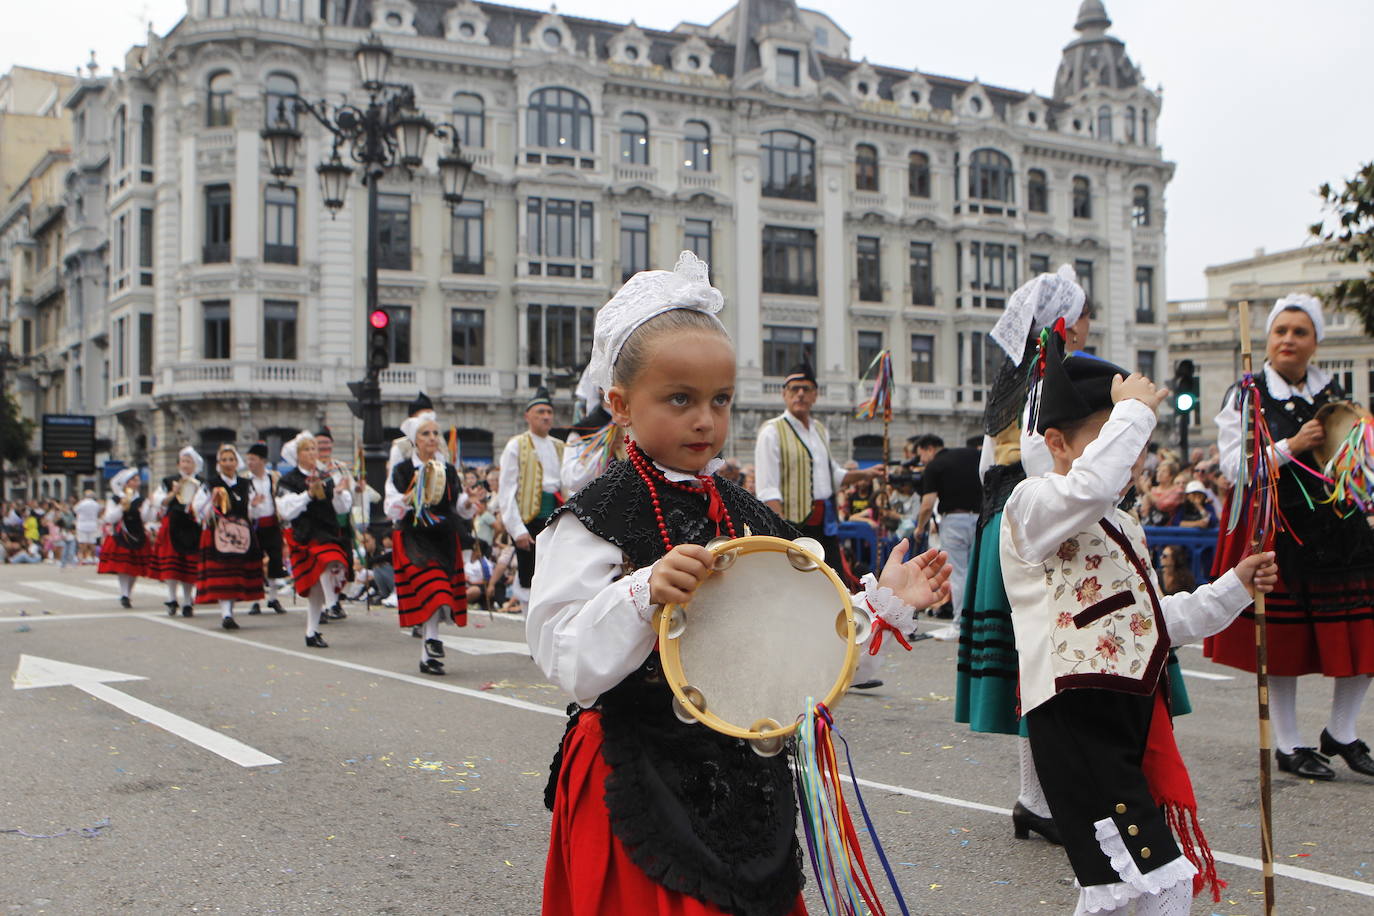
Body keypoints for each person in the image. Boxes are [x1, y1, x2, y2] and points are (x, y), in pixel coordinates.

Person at [527, 251, 951, 916]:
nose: (705, 420)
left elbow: (793, 635)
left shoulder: (749, 517)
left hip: (743, 778)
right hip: (638, 768)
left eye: (720, 400)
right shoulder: (596, 516)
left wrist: (882, 601)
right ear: (620, 404)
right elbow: (566, 655)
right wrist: (642, 594)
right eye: (680, 399)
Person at [1002, 333, 1278, 916]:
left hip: (1124, 711)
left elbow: (1154, 619)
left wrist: (1234, 586)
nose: (1129, 461)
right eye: (1112, 442)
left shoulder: (1124, 524)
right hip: (1072, 712)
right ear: (1056, 442)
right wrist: (1132, 410)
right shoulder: (1030, 505)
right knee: (1150, 882)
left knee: (1125, 888)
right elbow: (1089, 484)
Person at [1205, 293, 1374, 780]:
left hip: (1340, 528)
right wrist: (1291, 446)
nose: (1288, 340)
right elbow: (1236, 468)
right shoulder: (1247, 393)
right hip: (1280, 526)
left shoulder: (1335, 393)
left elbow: (1353, 460)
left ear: (1315, 341)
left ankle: (1342, 730)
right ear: (1268, 338)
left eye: (1300, 332)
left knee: (1362, 631)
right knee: (1280, 641)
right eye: (1281, 331)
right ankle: (1288, 742)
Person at [954, 264, 1091, 843]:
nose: (1087, 327)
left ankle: (1035, 796)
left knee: (1036, 662)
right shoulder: (1046, 380)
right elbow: (1042, 463)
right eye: (1082, 315)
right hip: (1034, 524)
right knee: (1046, 660)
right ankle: (1039, 798)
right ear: (1064, 323)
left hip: (1002, 522)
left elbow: (991, 462)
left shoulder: (1013, 381)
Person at [753, 358, 881, 583]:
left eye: (806, 389)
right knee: (797, 585)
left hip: (826, 524)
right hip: (792, 525)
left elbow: (832, 476)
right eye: (794, 389)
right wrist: (781, 534)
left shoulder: (820, 430)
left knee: (833, 582)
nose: (800, 394)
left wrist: (867, 474)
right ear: (784, 394)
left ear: (815, 395)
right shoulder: (772, 432)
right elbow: (768, 490)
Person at [384, 416, 476, 675]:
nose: (433, 438)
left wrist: (468, 504)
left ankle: (428, 655)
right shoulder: (402, 470)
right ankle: (433, 639)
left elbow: (457, 504)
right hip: (414, 538)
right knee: (434, 589)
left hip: (444, 537)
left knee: (439, 592)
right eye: (426, 434)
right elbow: (391, 507)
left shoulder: (447, 469)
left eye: (436, 433)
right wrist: (408, 496)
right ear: (415, 440)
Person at [277, 431, 353, 648]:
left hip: (328, 531)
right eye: (307, 449)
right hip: (305, 534)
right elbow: (286, 510)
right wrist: (308, 495)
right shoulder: (289, 480)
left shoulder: (326, 475)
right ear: (297, 454)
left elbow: (342, 508)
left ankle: (316, 626)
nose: (312, 453)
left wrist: (339, 493)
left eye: (314, 449)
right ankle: (328, 608)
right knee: (323, 568)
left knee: (329, 567)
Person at [498, 387, 564, 609]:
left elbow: (568, 485)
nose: (546, 416)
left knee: (554, 576)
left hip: (554, 518)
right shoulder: (516, 445)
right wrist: (517, 530)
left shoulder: (560, 446)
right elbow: (506, 491)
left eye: (549, 412)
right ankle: (529, 632)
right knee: (528, 577)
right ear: (528, 416)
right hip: (528, 519)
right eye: (540, 412)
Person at [912, 434, 982, 639]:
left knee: (959, 574)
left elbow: (927, 504)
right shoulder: (973, 456)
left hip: (954, 521)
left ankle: (960, 624)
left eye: (921, 456)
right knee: (977, 573)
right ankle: (979, 623)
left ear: (929, 448)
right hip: (981, 518)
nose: (922, 461)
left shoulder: (935, 466)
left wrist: (919, 527)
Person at [192, 445, 264, 630]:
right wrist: (212, 502)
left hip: (241, 534)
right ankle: (226, 613)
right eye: (224, 460)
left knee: (236, 573)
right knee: (223, 573)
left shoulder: (246, 484)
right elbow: (198, 510)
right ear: (219, 463)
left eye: (231, 459)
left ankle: (229, 610)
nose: (228, 463)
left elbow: (253, 512)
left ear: (236, 462)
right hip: (219, 533)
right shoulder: (210, 484)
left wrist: (255, 505)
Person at [150, 447, 204, 617]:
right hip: (173, 523)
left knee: (189, 563)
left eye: (189, 461)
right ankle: (172, 598)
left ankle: (188, 601)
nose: (185, 465)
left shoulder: (201, 483)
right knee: (172, 564)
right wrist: (173, 492)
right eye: (183, 461)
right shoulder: (169, 481)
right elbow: (158, 501)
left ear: (195, 464)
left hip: (192, 525)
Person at [97, 469, 151, 606]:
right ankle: (124, 594)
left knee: (134, 568)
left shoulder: (141, 500)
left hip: (137, 534)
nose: (136, 482)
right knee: (123, 567)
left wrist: (149, 506)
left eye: (137, 480)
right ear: (126, 483)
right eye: (133, 480)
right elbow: (109, 518)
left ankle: (128, 592)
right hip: (121, 535)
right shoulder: (115, 499)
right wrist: (121, 506)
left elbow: (146, 518)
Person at [244, 443, 287, 615]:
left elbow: (281, 498)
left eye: (253, 459)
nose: (250, 463)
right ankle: (255, 600)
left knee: (276, 560)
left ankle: (273, 598)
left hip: (272, 523)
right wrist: (252, 506)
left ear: (262, 461)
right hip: (254, 524)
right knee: (255, 562)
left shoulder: (273, 478)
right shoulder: (245, 481)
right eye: (248, 460)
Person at [74, 490, 102, 564]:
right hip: (93, 524)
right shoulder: (96, 504)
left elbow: (75, 510)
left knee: (82, 542)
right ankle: (93, 558)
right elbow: (99, 511)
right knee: (92, 543)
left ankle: (82, 558)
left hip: (82, 524)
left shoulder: (81, 503)